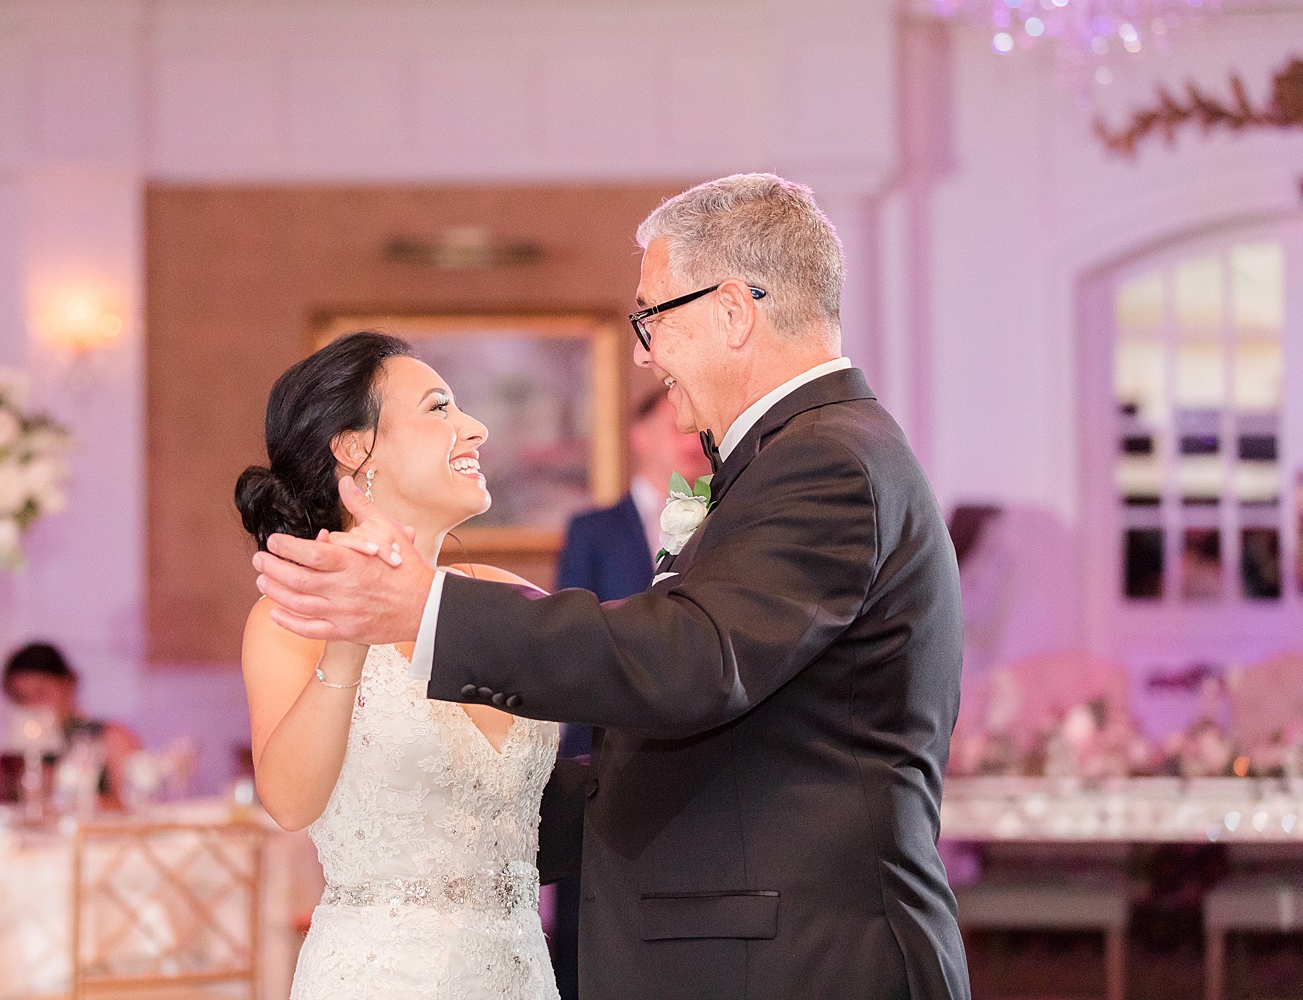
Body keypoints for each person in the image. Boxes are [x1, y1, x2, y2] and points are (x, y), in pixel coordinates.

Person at [255, 174, 971, 1000]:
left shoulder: (825, 460)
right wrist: (417, 839)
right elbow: (727, 734)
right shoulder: (808, 453)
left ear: (733, 312)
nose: (642, 352)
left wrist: (428, 610)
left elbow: (693, 661)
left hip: (808, 961)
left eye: (652, 316)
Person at [233, 331, 560, 1000]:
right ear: (356, 448)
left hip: (520, 973)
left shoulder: (503, 599)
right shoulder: (290, 618)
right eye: (440, 408)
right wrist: (347, 644)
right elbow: (291, 803)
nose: (475, 428)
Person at [548, 387, 709, 995]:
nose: (689, 440)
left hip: (688, 749)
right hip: (599, 746)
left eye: (696, 429)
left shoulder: (720, 524)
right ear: (639, 436)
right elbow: (571, 637)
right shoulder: (595, 529)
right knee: (589, 925)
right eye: (674, 426)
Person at [0, 642, 140, 810]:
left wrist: (63, 793)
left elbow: (135, 808)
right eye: (20, 698)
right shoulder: (15, 757)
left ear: (69, 685)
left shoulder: (111, 738)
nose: (32, 705)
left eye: (41, 692)